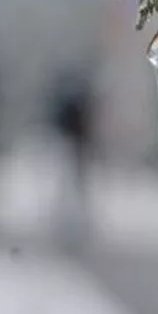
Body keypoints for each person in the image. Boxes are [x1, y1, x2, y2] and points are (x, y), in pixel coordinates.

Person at [49, 65, 96, 246]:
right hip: (77, 143)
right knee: (75, 182)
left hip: (72, 143)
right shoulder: (77, 99)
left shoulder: (67, 99)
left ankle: (70, 216)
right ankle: (74, 216)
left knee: (72, 182)